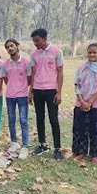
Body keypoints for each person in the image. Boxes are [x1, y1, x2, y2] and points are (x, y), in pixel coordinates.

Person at [30, 28, 64, 160]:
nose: (35, 43)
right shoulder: (34, 54)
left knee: (54, 119)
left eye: (37, 41)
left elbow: (60, 72)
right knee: (39, 118)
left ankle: (57, 148)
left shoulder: (56, 51)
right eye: (34, 41)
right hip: (38, 90)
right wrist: (31, 91)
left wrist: (59, 92)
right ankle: (42, 144)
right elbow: (33, 73)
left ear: (44, 38)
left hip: (51, 91)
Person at [72, 43, 97, 164]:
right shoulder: (81, 68)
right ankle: (80, 152)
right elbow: (77, 85)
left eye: (94, 52)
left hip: (96, 104)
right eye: (90, 52)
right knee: (80, 128)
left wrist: (90, 102)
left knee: (96, 129)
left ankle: (96, 154)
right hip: (81, 103)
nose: (92, 55)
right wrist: (82, 101)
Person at [2, 39, 32, 159]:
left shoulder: (26, 62)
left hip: (22, 95)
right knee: (11, 119)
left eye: (12, 46)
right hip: (10, 95)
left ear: (17, 46)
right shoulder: (5, 64)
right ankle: (14, 142)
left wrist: (22, 88)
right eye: (7, 47)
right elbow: (5, 80)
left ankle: (25, 146)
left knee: (23, 120)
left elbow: (30, 79)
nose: (10, 48)